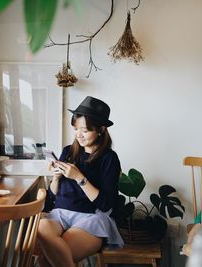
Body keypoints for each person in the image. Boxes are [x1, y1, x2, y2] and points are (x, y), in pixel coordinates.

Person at [37, 96, 124, 267]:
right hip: (60, 214)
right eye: (76, 129)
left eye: (85, 130)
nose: (79, 135)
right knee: (41, 228)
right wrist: (56, 177)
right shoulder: (68, 151)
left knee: (47, 259)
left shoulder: (109, 158)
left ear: (100, 129)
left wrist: (79, 177)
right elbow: (52, 199)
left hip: (91, 218)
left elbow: (106, 204)